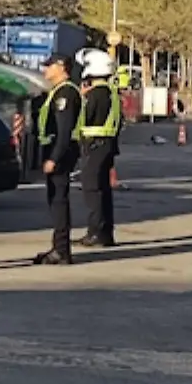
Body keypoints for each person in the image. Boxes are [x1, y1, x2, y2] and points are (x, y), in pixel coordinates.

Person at [35, 55, 81, 265]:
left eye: (49, 66)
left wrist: (54, 158)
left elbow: (64, 131)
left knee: (59, 201)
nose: (45, 70)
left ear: (61, 67)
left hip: (61, 151)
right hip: (56, 149)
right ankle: (58, 247)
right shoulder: (57, 91)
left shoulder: (66, 93)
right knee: (54, 200)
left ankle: (62, 250)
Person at [75, 48, 122, 248]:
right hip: (107, 146)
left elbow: (83, 118)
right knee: (103, 191)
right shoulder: (111, 92)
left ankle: (95, 232)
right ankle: (105, 234)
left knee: (92, 191)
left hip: (95, 146)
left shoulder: (96, 95)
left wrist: (80, 98)